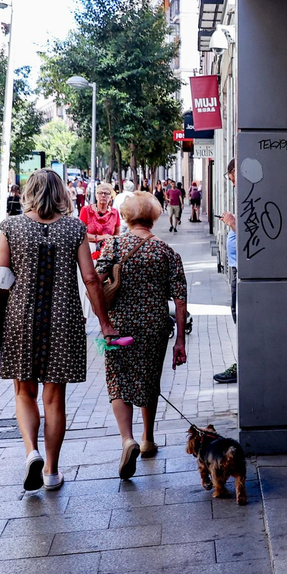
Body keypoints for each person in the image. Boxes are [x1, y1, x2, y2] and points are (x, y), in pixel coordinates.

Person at [0, 169, 116, 492]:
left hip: (21, 318)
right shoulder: (75, 228)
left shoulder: (10, 227)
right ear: (61, 193)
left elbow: (1, 278)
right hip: (63, 320)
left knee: (23, 392)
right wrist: (105, 323)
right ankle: (51, 471)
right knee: (54, 399)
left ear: (28, 193)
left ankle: (31, 451)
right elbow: (91, 279)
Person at [95, 191, 189, 478]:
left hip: (118, 326)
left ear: (125, 217)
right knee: (149, 377)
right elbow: (180, 300)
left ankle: (128, 439)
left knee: (118, 379)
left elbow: (94, 281)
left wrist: (102, 318)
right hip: (154, 327)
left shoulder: (113, 245)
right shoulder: (166, 251)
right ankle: (148, 438)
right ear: (153, 218)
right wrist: (181, 341)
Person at [215, 158, 240, 384]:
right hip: (236, 269)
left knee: (241, 318)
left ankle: (243, 364)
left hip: (242, 270)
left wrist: (233, 223)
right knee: (237, 317)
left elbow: (251, 234)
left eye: (234, 180)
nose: (233, 186)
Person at [80, 183, 121, 260]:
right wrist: (100, 237)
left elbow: (117, 234)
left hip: (108, 253)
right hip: (89, 251)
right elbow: (81, 234)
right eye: (100, 193)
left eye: (106, 193)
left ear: (111, 197)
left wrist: (111, 239)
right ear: (96, 195)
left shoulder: (115, 213)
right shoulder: (86, 210)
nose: (103, 195)